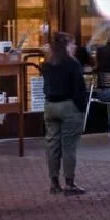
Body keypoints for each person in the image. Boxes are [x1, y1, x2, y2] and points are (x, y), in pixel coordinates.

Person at [41, 32, 88, 194]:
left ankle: (54, 182)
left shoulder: (47, 63)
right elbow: (79, 88)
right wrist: (81, 107)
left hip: (50, 106)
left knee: (52, 145)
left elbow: (45, 86)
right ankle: (69, 182)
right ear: (67, 45)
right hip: (69, 105)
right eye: (72, 44)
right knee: (69, 146)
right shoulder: (72, 63)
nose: (74, 47)